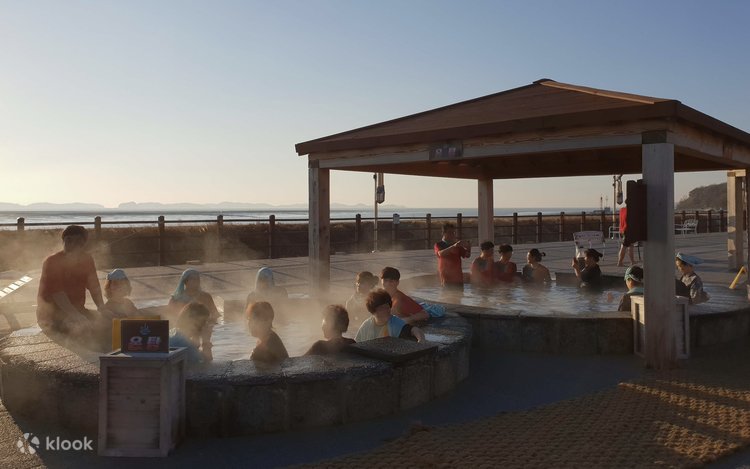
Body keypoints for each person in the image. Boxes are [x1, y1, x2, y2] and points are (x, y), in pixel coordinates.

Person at [36, 225, 109, 342]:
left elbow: (94, 286)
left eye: (78, 242)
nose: (73, 245)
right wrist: (76, 316)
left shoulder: (87, 259)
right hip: (51, 316)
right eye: (69, 240)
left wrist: (101, 307)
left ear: (83, 244)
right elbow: (58, 294)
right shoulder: (52, 261)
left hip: (78, 310)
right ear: (63, 241)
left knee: (106, 323)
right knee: (80, 328)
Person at [168, 269, 219, 361]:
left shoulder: (205, 296)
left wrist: (209, 323)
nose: (195, 281)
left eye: (197, 279)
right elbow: (170, 316)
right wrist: (206, 343)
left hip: (194, 328)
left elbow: (215, 314)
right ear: (185, 281)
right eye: (192, 279)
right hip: (187, 328)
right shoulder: (176, 299)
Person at [355, 289, 425, 342]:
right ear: (373, 311)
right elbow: (356, 344)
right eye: (381, 308)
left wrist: (421, 341)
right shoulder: (366, 325)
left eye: (387, 307)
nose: (385, 311)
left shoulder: (395, 323)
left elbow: (414, 330)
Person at [434, 222, 471, 288]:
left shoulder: (457, 245)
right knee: (448, 293)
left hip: (458, 278)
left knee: (459, 293)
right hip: (446, 278)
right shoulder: (439, 244)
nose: (452, 234)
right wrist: (453, 246)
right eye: (450, 232)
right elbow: (440, 254)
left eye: (453, 232)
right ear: (443, 233)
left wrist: (468, 248)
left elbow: (467, 255)